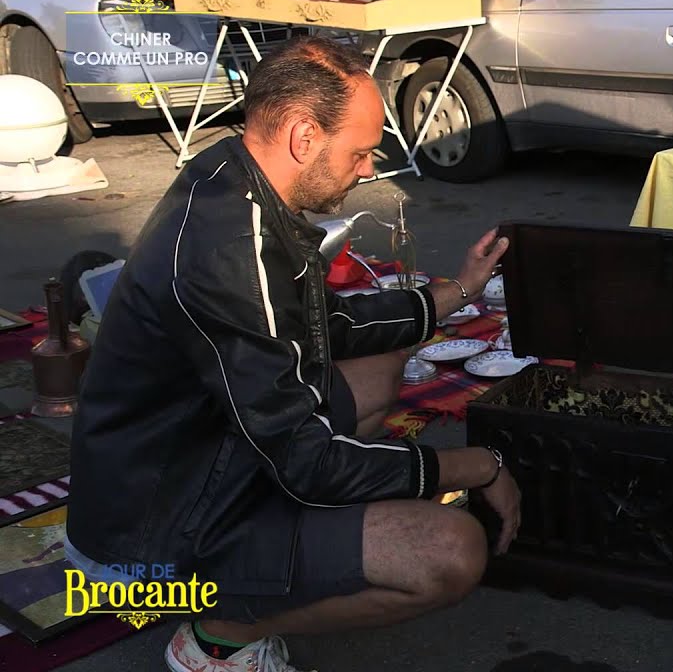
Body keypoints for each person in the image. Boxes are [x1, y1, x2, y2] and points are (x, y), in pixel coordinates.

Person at [65, 36, 522, 672]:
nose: (368, 169)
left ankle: (286, 551)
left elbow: (320, 322)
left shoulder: (234, 176)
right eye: (360, 152)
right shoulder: (228, 253)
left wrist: (458, 292)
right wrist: (476, 465)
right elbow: (309, 462)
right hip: (151, 545)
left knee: (378, 369)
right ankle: (216, 638)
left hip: (200, 461)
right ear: (304, 135)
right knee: (451, 551)